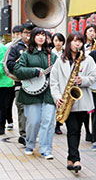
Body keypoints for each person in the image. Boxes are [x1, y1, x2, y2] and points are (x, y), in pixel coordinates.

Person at [50, 32, 96, 172]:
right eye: (75, 41)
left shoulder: (88, 59)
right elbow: (54, 82)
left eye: (80, 42)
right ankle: (76, 159)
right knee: (73, 130)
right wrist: (57, 97)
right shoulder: (60, 60)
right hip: (66, 102)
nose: (78, 44)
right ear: (69, 42)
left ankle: (71, 157)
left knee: (78, 130)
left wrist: (83, 80)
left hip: (82, 101)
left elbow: (94, 77)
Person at [13, 27, 57, 159]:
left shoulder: (52, 56)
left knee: (48, 121)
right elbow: (18, 70)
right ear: (33, 37)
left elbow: (58, 73)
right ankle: (30, 144)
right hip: (31, 93)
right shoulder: (26, 54)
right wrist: (34, 72)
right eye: (38, 35)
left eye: (43, 35)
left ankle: (46, 149)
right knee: (33, 121)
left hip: (48, 92)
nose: (41, 37)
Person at [6, 22, 35, 145]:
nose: (28, 35)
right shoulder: (16, 48)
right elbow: (9, 64)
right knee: (22, 107)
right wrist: (20, 63)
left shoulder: (38, 47)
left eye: (30, 33)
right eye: (26, 33)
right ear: (22, 34)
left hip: (36, 83)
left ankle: (32, 133)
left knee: (35, 109)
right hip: (20, 83)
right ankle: (24, 135)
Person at [83, 24, 96, 142]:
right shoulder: (82, 46)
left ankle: (94, 132)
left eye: (94, 31)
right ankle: (87, 130)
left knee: (95, 107)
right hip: (84, 76)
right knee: (85, 107)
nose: (92, 33)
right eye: (90, 31)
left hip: (95, 78)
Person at [50, 32, 66, 135]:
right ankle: (55, 124)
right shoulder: (50, 53)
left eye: (60, 41)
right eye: (56, 40)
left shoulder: (66, 53)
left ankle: (59, 123)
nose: (58, 43)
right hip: (54, 79)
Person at [0, 43, 15, 134]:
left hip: (4, 82)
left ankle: (1, 126)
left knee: (3, 106)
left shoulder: (2, 48)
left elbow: (3, 65)